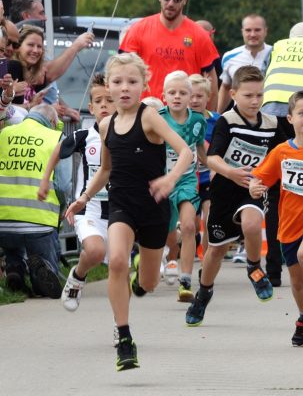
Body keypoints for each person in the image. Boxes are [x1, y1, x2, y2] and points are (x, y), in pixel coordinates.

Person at [64, 52, 193, 371]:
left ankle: (141, 280)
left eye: (132, 82)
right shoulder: (106, 126)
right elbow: (105, 171)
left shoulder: (149, 117)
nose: (124, 88)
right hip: (121, 204)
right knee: (117, 260)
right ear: (108, 86)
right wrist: (84, 198)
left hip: (154, 208)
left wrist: (171, 177)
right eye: (118, 82)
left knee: (147, 283)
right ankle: (124, 338)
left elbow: (185, 152)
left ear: (143, 85)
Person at [185, 66, 285, 326]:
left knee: (252, 224)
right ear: (233, 93)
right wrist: (231, 173)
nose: (255, 101)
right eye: (248, 95)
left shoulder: (273, 125)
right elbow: (212, 158)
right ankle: (204, 293)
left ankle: (253, 267)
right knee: (216, 250)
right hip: (224, 189)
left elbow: (281, 155)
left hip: (252, 188)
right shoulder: (226, 121)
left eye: (259, 96)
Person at [249, 89, 303, 347]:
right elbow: (260, 178)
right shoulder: (281, 152)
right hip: (289, 224)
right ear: (289, 118)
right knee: (297, 281)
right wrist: (255, 187)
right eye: (302, 113)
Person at [37, 73, 116, 311]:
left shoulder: (128, 136)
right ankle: (78, 276)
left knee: (119, 268)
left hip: (120, 210)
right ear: (91, 108)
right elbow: (56, 150)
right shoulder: (85, 136)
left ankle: (120, 324)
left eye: (109, 100)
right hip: (88, 207)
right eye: (99, 101)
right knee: (94, 251)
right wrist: (44, 181)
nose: (104, 105)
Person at [0, 104, 65, 298]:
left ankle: (15, 267)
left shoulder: (5, 133)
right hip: (37, 225)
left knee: (13, 240)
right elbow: (63, 186)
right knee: (43, 259)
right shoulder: (55, 138)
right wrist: (60, 211)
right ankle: (40, 276)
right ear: (53, 122)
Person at [119, 0, 220, 100]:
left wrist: (209, 117)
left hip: (185, 116)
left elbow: (212, 86)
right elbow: (121, 73)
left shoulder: (199, 35)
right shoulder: (138, 30)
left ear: (185, 0)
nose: (171, 3)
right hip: (146, 112)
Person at [158, 70, 208, 303]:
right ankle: (171, 253)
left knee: (189, 225)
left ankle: (186, 280)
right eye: (172, 92)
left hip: (187, 180)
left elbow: (202, 151)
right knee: (168, 233)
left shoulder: (198, 121)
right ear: (164, 95)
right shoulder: (157, 118)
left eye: (182, 93)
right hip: (164, 182)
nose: (177, 97)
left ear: (190, 96)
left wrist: (219, 168)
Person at [188, 73, 219, 257]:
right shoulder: (179, 121)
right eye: (190, 95)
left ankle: (206, 260)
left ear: (208, 97)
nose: (194, 100)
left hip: (209, 177)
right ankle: (186, 254)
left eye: (199, 96)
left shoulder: (218, 121)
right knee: (190, 223)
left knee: (208, 219)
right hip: (188, 178)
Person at [216, 14, 271, 113]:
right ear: (242, 31)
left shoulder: (276, 55)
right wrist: (217, 115)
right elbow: (226, 87)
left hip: (268, 117)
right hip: (239, 119)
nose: (253, 34)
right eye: (248, 30)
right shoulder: (229, 57)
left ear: (265, 31)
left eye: (257, 30)